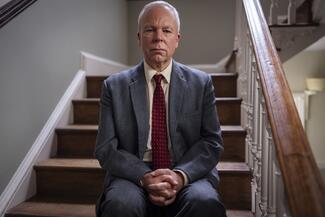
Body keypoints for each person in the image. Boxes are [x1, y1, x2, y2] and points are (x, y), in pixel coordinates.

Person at [95, 1, 226, 217]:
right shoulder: (113, 86)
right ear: (139, 38)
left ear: (177, 40)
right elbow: (105, 149)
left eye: (166, 30)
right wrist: (144, 176)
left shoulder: (201, 83)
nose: (158, 37)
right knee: (121, 205)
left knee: (204, 201)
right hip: (133, 172)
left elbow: (212, 142)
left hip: (187, 169)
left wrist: (180, 176)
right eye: (150, 30)